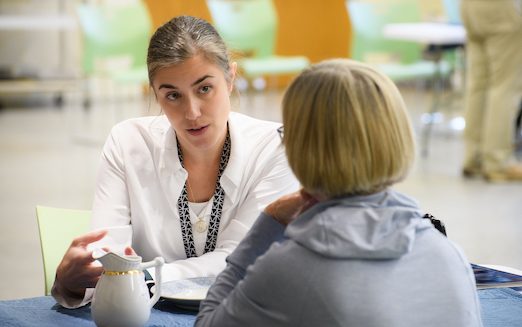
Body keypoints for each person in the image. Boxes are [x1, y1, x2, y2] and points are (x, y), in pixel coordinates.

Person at [196, 59, 483, 326]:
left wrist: (267, 224)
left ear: (301, 148)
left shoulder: (290, 268)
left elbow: (209, 321)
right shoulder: (447, 254)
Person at [51, 15, 299, 308]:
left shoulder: (275, 148)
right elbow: (107, 259)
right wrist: (69, 283)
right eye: (172, 95)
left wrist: (137, 276)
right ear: (155, 94)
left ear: (231, 78)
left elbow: (239, 258)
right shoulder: (128, 143)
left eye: (204, 88)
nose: (192, 112)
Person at [460, 0, 522, 181]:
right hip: (502, 7)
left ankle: (474, 157)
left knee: (478, 85)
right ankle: (497, 162)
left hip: (470, 7)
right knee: (505, 86)